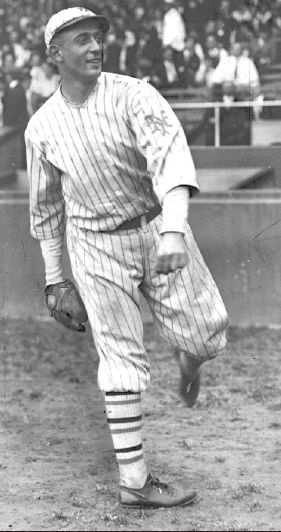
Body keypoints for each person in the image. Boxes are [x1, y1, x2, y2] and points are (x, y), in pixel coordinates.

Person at [25, 7, 229, 509]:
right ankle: (135, 482)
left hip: (156, 224)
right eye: (82, 41)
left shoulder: (134, 93)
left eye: (98, 38)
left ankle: (189, 358)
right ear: (55, 53)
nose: (95, 47)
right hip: (94, 245)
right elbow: (47, 208)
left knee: (209, 333)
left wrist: (175, 231)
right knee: (119, 359)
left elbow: (171, 159)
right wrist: (56, 282)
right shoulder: (41, 127)